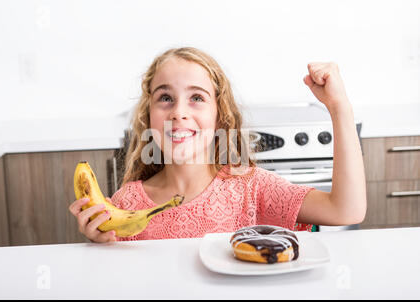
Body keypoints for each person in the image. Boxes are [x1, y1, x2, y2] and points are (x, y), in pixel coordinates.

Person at [68, 47, 366, 243]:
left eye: (196, 98)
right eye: (165, 98)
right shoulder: (126, 204)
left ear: (219, 116)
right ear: (148, 117)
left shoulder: (251, 189)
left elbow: (346, 211)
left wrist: (340, 108)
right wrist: (99, 247)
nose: (179, 112)